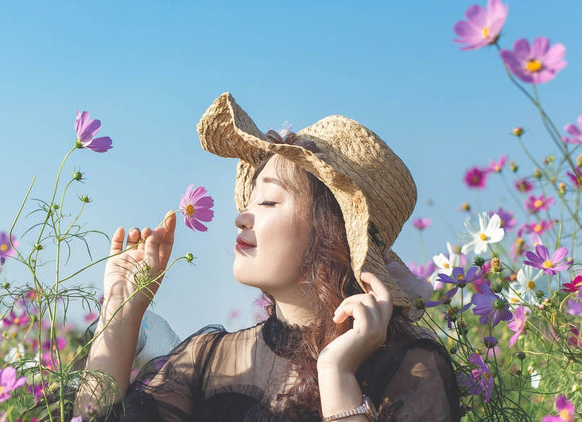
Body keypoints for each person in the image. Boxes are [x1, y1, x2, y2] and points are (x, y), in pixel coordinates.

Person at [71, 93, 461, 421]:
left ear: (334, 232)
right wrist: (121, 312)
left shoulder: (408, 367)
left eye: (269, 200)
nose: (242, 216)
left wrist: (338, 376)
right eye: (250, 199)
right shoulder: (208, 359)